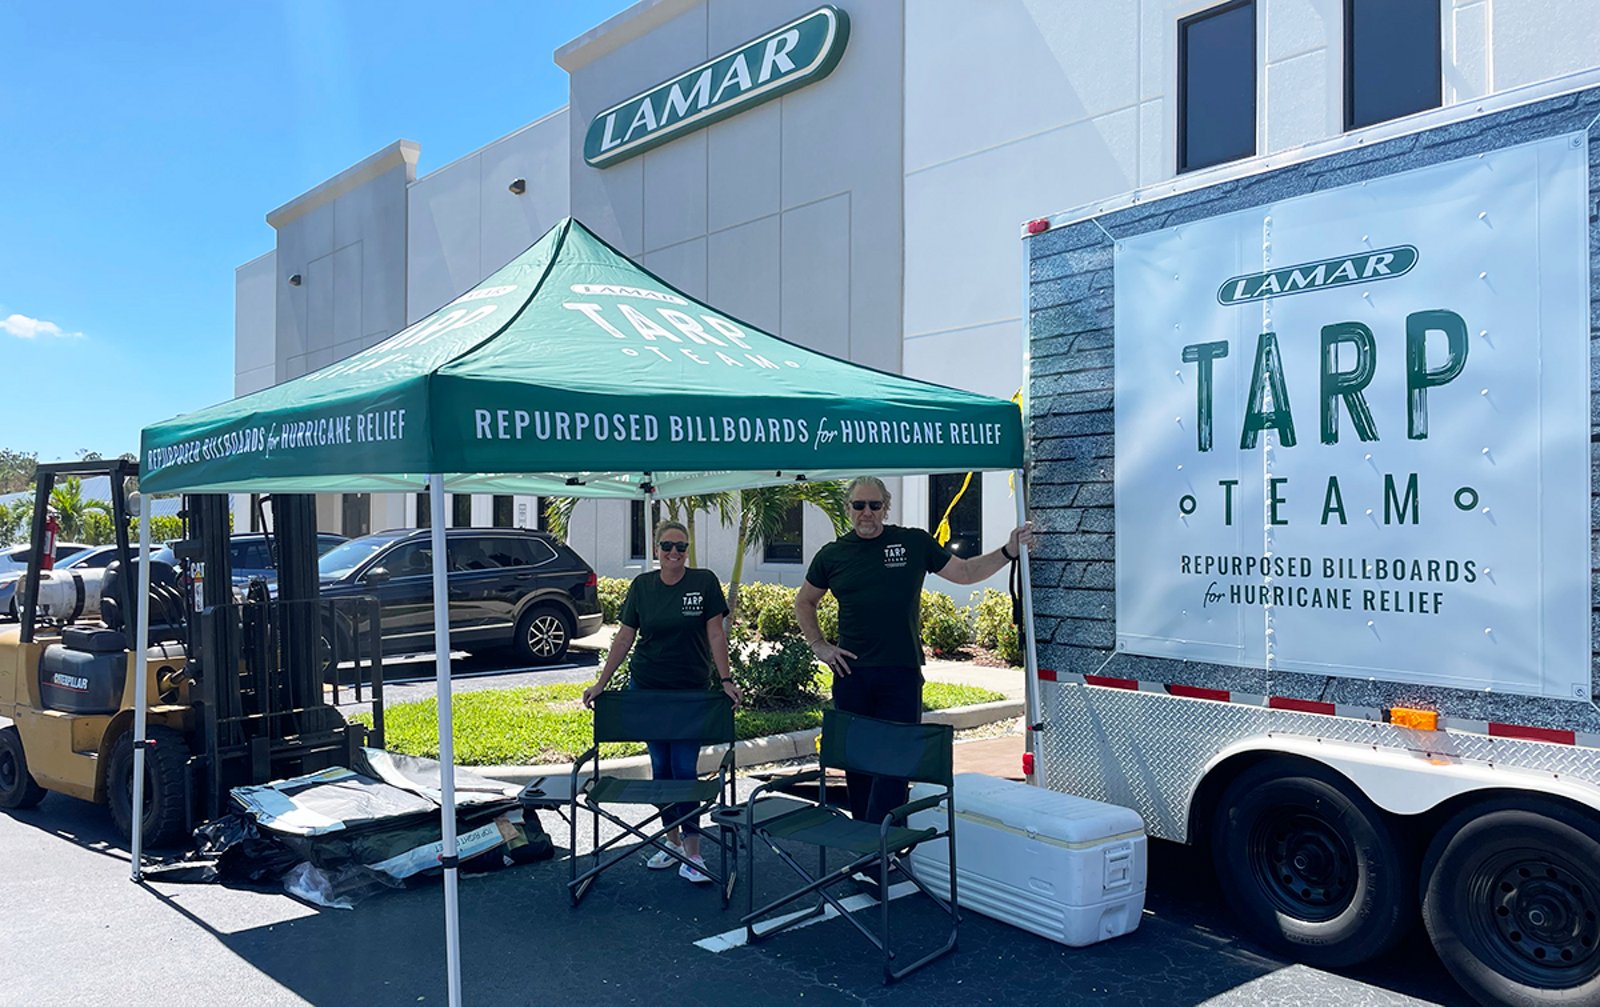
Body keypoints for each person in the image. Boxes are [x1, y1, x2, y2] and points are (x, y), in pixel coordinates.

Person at [796, 475, 1034, 828]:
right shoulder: (833, 555)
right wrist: (820, 646)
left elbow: (965, 572)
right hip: (852, 675)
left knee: (896, 760)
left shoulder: (912, 543)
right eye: (859, 505)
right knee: (858, 762)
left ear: (885, 508)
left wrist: (1007, 551)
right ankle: (866, 841)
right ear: (848, 509)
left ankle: (887, 840)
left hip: (901, 673)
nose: (867, 513)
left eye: (874, 505)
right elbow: (805, 602)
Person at [583, 520, 740, 884]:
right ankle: (672, 846)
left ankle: (694, 852)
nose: (674, 553)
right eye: (667, 546)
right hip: (648, 690)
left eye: (681, 547)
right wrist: (601, 683)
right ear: (655, 549)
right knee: (661, 770)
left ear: (688, 551)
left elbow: (716, 633)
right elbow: (624, 638)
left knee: (684, 770)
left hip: (690, 693)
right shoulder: (642, 587)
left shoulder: (703, 583)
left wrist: (726, 679)